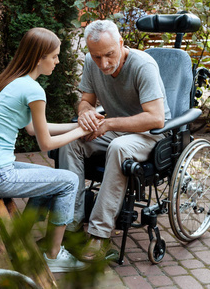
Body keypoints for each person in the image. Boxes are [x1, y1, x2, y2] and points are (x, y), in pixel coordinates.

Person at [0, 27, 97, 272]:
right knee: (68, 181)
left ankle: (21, 237)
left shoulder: (14, 82)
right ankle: (54, 256)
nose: (57, 61)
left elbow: (31, 128)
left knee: (48, 178)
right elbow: (45, 143)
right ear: (39, 58)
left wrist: (78, 124)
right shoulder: (34, 90)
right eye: (54, 56)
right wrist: (80, 132)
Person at [58, 20, 171, 262]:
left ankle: (100, 234)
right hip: (116, 129)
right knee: (70, 142)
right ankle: (70, 224)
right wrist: (85, 112)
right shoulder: (92, 62)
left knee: (119, 148)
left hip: (149, 135)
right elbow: (86, 100)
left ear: (120, 43)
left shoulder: (143, 66)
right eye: (97, 57)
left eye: (109, 55)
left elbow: (156, 118)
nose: (104, 63)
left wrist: (108, 123)